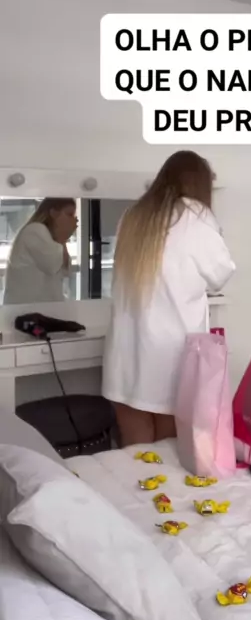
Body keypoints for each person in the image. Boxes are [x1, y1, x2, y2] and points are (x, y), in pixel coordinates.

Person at [102, 151, 235, 447]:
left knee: (134, 451)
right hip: (169, 356)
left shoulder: (133, 215)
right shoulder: (196, 217)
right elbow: (221, 274)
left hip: (124, 355)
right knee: (168, 451)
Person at [4, 198, 77, 304]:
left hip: (40, 306)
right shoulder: (35, 230)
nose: (74, 220)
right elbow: (52, 265)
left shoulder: (50, 236)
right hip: (27, 306)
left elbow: (65, 271)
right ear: (53, 213)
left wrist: (62, 238)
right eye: (69, 215)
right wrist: (62, 236)